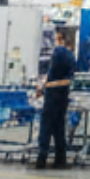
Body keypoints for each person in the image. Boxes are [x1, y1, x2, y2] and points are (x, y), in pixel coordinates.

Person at [33, 30, 75, 169]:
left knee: (46, 127)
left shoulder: (59, 52)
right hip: (63, 96)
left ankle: (42, 158)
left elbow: (52, 76)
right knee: (59, 128)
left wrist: (42, 87)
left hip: (52, 95)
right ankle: (60, 159)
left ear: (60, 39)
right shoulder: (71, 57)